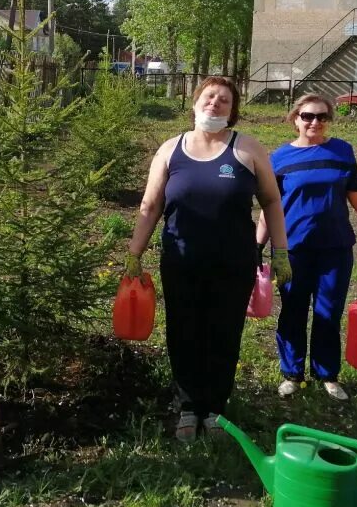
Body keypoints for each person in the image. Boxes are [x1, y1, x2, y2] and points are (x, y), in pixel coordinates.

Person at [124, 76, 291, 442]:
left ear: (232, 112)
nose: (215, 104)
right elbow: (151, 205)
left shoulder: (247, 149)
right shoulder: (171, 149)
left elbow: (272, 201)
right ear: (195, 102)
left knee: (223, 333)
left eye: (224, 100)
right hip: (181, 262)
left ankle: (215, 409)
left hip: (233, 264)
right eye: (209, 96)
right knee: (183, 332)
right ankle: (187, 408)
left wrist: (281, 252)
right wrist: (134, 254)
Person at [256, 94, 357, 402]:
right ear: (295, 119)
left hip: (335, 249)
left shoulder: (342, 152)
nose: (314, 123)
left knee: (329, 312)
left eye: (322, 117)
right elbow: (271, 206)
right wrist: (258, 244)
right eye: (307, 116)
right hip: (291, 249)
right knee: (292, 310)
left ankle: (327, 374)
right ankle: (291, 373)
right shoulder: (278, 159)